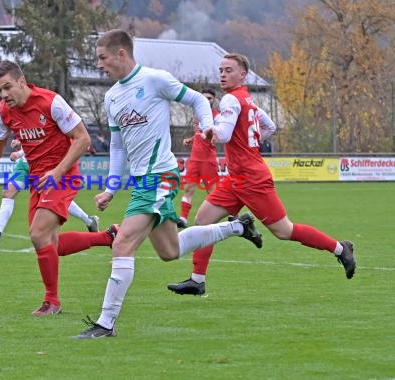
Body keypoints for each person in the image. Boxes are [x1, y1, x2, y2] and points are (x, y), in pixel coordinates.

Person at [74, 30, 263, 339]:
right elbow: (118, 147)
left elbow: (198, 100)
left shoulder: (154, 79)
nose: (99, 65)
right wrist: (111, 187)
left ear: (121, 54)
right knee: (169, 250)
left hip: (161, 175)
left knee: (122, 243)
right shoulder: (111, 97)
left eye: (102, 58)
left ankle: (105, 324)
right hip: (142, 182)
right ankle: (237, 228)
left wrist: (208, 127)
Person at [167, 53, 356, 298]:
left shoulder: (230, 101)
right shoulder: (249, 101)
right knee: (203, 220)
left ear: (242, 74)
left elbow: (222, 135)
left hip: (252, 179)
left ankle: (341, 249)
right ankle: (197, 280)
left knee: (284, 231)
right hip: (237, 177)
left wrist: (211, 131)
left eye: (228, 70)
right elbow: (270, 127)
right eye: (221, 70)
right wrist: (247, 143)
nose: (222, 74)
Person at [0, 60, 118, 317]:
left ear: (21, 82)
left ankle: (52, 302)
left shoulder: (51, 102)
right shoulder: (5, 111)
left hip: (63, 176)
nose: (3, 95)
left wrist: (57, 171)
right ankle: (109, 237)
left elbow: (83, 139)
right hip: (38, 180)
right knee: (50, 245)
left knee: (37, 234)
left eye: (7, 88)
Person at [0, 138, 100, 246]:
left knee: (55, 199)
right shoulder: (16, 116)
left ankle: (89, 221)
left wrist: (20, 153)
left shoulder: (44, 114)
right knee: (8, 193)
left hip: (42, 164)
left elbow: (43, 141)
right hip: (23, 165)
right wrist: (20, 144)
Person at [177, 88, 219, 229]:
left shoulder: (217, 116)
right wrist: (191, 139)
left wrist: (211, 137)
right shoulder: (197, 116)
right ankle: (183, 218)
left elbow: (217, 136)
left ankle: (218, 217)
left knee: (212, 192)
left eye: (210, 98)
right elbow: (199, 134)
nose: (207, 100)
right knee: (188, 188)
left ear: (214, 100)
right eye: (204, 98)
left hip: (208, 160)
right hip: (194, 159)